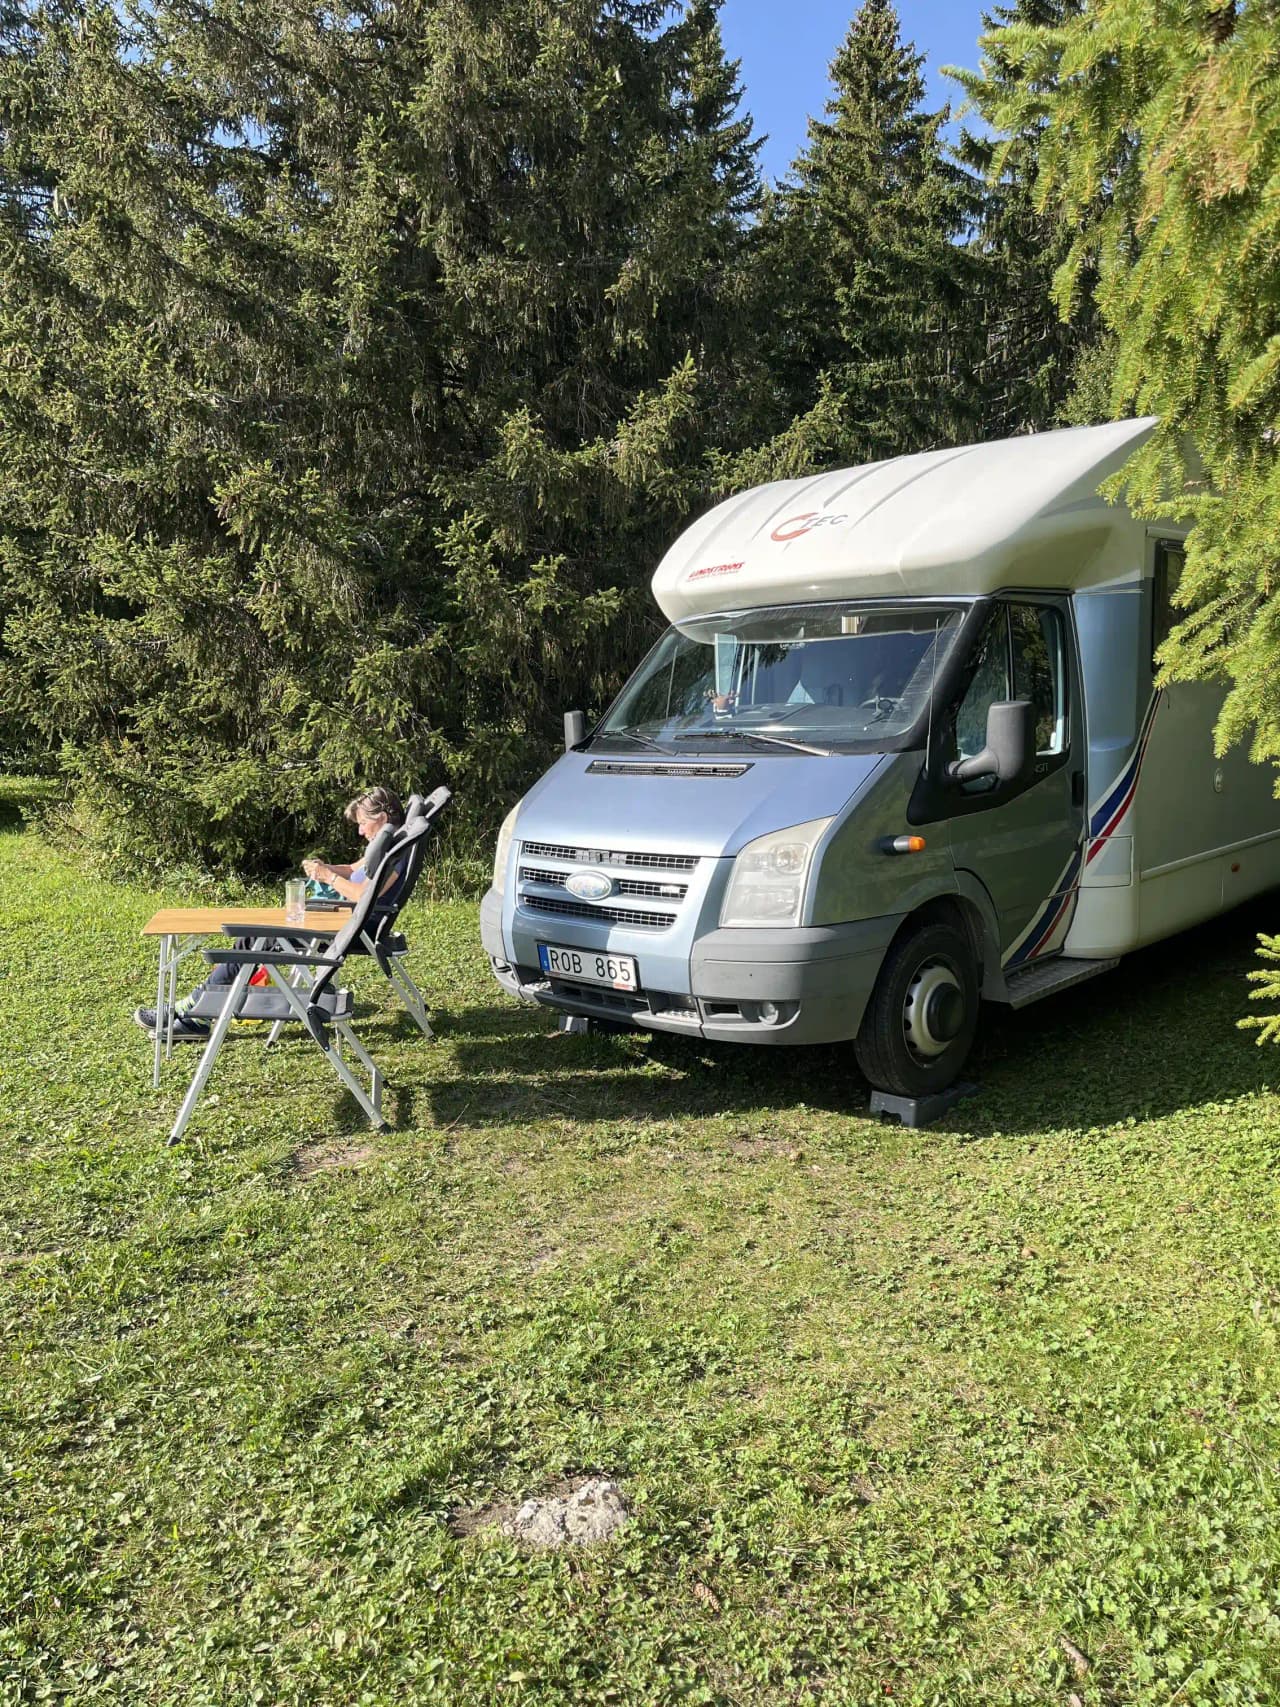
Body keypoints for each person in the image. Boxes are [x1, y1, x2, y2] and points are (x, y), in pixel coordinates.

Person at [133, 786, 408, 1041]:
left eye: (362, 823)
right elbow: (352, 869)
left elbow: (364, 895)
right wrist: (325, 868)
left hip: (350, 931)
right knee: (249, 939)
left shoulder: (395, 855)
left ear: (382, 817)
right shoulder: (385, 846)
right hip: (343, 922)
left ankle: (193, 1012)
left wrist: (328, 878)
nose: (360, 832)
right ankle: (195, 1010)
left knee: (254, 941)